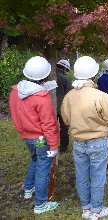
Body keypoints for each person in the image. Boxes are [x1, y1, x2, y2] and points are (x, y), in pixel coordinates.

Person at [61, 56, 108, 220]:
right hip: (98, 142)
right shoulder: (99, 95)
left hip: (78, 142)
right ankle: (96, 210)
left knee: (82, 175)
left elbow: (65, 120)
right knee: (98, 175)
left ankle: (86, 208)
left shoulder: (69, 96)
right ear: (93, 74)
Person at [9, 56, 60, 214]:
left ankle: (28, 188)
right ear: (44, 76)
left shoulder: (16, 91)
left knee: (35, 160)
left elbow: (16, 114)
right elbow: (49, 123)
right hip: (41, 139)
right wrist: (53, 145)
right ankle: (41, 204)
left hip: (27, 136)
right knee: (43, 168)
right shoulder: (42, 97)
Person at [56, 59, 72, 153]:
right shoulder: (65, 78)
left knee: (51, 127)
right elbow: (69, 94)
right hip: (62, 107)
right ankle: (63, 147)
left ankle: (51, 145)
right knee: (64, 128)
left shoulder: (50, 77)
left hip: (50, 107)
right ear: (65, 68)